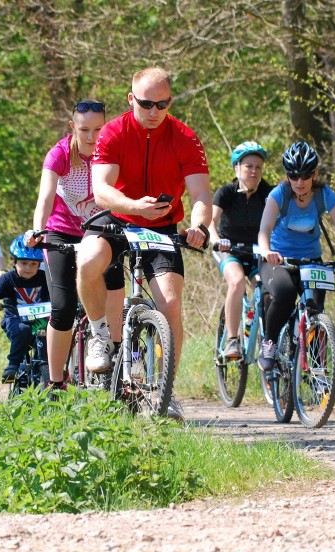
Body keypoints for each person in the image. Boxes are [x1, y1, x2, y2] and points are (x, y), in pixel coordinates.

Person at [76, 67, 212, 421]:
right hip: (120, 215)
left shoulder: (185, 137)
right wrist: (133, 206)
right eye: (146, 103)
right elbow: (102, 189)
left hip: (163, 225)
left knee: (170, 305)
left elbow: (200, 194)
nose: (154, 112)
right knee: (88, 259)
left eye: (162, 104)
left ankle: (167, 392)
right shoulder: (113, 132)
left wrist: (199, 225)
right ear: (130, 99)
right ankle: (99, 334)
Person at [24, 99, 125, 391]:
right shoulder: (59, 154)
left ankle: (118, 368)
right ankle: (55, 384)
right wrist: (37, 228)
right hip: (62, 232)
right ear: (72, 127)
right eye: (84, 130)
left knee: (115, 290)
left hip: (103, 229)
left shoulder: (114, 150)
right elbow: (45, 197)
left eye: (98, 129)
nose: (92, 137)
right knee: (63, 307)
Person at [257, 141, 335, 371]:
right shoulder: (279, 194)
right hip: (278, 260)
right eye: (294, 176)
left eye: (305, 175)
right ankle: (270, 343)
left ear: (315, 174)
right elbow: (264, 230)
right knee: (285, 293)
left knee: (315, 308)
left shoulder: (324, 195)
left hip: (311, 262)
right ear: (288, 176)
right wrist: (266, 251)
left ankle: (316, 370)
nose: (299, 182)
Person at [209, 141, 272, 359]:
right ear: (237, 168)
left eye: (258, 167)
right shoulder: (226, 192)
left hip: (257, 252)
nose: (254, 171)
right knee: (236, 281)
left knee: (265, 290)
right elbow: (210, 222)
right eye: (249, 166)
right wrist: (217, 240)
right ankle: (232, 340)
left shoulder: (268, 193)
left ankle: (263, 336)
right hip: (229, 248)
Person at [0, 237, 50, 381]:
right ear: (14, 262)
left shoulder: (44, 278)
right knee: (23, 330)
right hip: (15, 320)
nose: (28, 267)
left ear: (39, 264)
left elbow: (58, 292)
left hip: (41, 320)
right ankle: (13, 366)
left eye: (33, 264)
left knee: (54, 332)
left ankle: (52, 372)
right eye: (24, 263)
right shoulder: (8, 278)